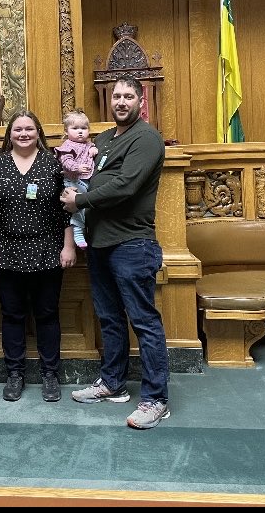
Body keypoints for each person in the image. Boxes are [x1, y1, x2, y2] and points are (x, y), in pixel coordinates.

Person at [61, 75, 170, 430]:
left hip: (132, 243)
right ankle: (112, 384)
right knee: (109, 318)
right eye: (116, 96)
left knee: (144, 322)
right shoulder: (104, 139)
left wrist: (80, 200)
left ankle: (156, 399)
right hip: (99, 242)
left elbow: (125, 186)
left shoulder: (147, 138)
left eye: (128, 96)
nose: (121, 102)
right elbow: (90, 176)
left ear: (141, 101)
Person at [0, 111, 76, 403]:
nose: (23, 134)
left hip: (48, 251)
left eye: (29, 129)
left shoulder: (55, 164)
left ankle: (51, 375)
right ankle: (15, 374)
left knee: (47, 315)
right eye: (17, 129)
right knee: (12, 315)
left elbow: (68, 210)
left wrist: (69, 245)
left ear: (38, 132)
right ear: (8, 134)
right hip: (4, 250)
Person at [53, 109, 99, 249]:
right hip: (73, 181)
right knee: (78, 207)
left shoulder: (88, 144)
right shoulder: (67, 146)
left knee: (87, 207)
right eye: (75, 128)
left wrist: (93, 150)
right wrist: (76, 167)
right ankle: (77, 232)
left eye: (84, 128)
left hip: (86, 181)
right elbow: (66, 161)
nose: (80, 132)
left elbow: (92, 150)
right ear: (66, 131)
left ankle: (84, 230)